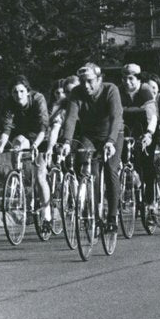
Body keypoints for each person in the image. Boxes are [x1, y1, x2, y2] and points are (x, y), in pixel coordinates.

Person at [59, 63, 124, 230]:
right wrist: (66, 142)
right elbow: (71, 119)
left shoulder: (111, 89)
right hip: (90, 135)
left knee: (110, 169)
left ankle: (112, 216)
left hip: (112, 134)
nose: (86, 86)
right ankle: (94, 216)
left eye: (90, 81)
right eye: (82, 82)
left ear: (99, 79)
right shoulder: (76, 92)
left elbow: (116, 117)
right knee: (87, 170)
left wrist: (110, 141)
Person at [0, 75, 51, 224]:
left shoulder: (38, 99)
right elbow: (7, 129)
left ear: (28, 92)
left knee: (40, 175)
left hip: (41, 136)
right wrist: (0, 146)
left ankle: (47, 214)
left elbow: (43, 126)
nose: (19, 95)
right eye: (15, 92)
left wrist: (35, 145)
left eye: (22, 91)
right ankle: (18, 178)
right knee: (16, 143)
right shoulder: (9, 103)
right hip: (23, 135)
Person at [122, 66, 159, 215]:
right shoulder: (119, 91)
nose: (126, 82)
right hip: (126, 126)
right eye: (124, 78)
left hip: (145, 126)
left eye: (130, 78)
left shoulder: (145, 91)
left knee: (147, 163)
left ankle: (151, 203)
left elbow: (153, 117)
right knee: (125, 159)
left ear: (138, 79)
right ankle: (132, 183)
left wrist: (149, 134)